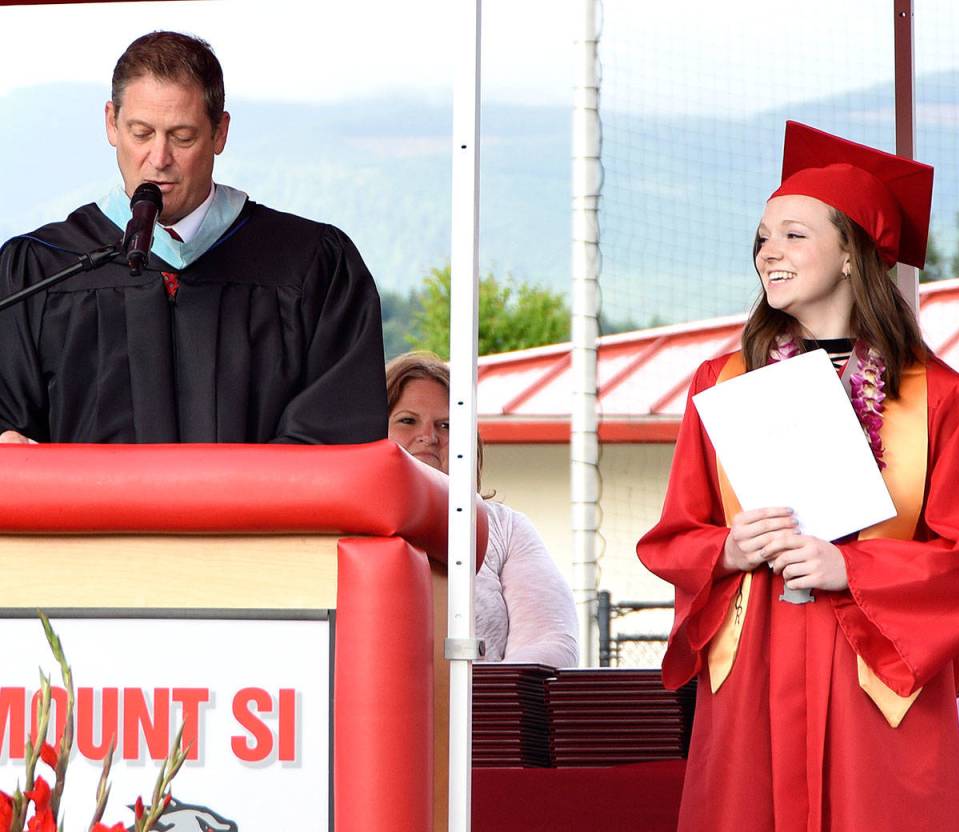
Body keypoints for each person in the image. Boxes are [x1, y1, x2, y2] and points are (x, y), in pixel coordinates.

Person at [636, 121, 959, 831]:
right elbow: (674, 536)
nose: (768, 253)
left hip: (875, 670)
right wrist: (728, 550)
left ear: (852, 254)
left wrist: (851, 566)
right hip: (756, 662)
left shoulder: (945, 398)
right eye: (761, 237)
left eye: (793, 234)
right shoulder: (720, 384)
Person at [0, 31, 386, 445]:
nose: (159, 158)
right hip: (88, 513)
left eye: (182, 137)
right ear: (111, 123)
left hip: (259, 512)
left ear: (220, 132)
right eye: (141, 133)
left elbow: (337, 434)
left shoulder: (310, 266)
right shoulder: (44, 269)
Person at [386, 351, 579, 667]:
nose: (428, 437)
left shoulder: (505, 528)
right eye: (408, 420)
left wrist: (480, 702)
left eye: (445, 425)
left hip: (484, 713)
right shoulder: (345, 525)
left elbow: (553, 642)